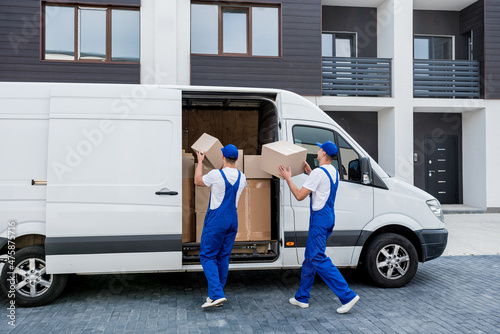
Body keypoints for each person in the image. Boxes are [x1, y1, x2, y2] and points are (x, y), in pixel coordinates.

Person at [278, 140, 359, 314]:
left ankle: (347, 295)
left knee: (317, 257)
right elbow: (322, 187)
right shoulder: (333, 171)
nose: (318, 150)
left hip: (319, 220)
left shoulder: (319, 173)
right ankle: (302, 298)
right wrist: (310, 172)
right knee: (310, 257)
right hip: (329, 217)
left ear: (323, 153)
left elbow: (300, 195)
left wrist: (288, 179)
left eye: (320, 148)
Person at [194, 144, 247, 308]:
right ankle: (215, 295)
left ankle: (216, 294)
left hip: (217, 220)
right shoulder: (242, 177)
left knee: (207, 256)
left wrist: (200, 161)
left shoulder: (216, 175)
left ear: (222, 157)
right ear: (237, 159)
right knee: (222, 257)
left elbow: (198, 181)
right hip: (232, 220)